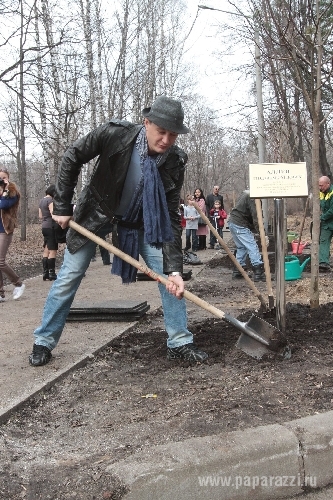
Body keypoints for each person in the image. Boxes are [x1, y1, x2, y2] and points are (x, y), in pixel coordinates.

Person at [29, 96, 208, 366]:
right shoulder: (115, 134)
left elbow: (170, 215)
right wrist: (63, 205)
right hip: (96, 215)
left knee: (171, 280)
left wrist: (174, 270)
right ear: (146, 122)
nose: (166, 140)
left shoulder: (175, 161)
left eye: (173, 134)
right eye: (161, 132)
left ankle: (179, 342)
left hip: (145, 222)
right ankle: (44, 341)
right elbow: (72, 156)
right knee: (69, 275)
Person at [228, 189, 266, 282]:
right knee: (252, 246)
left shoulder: (246, 192)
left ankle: (238, 271)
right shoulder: (253, 197)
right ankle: (258, 273)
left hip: (233, 222)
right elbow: (256, 217)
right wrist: (262, 234)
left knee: (242, 247)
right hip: (240, 224)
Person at [0, 167, 25, 302]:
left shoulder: (12, 192)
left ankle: (18, 284)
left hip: (5, 230)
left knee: (0, 261)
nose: (2, 180)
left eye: (4, 177)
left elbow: (3, 205)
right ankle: (0, 293)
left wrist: (5, 190)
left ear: (8, 178)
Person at [39, 184, 58, 280]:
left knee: (46, 249)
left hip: (44, 227)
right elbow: (53, 213)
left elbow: (40, 216)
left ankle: (45, 272)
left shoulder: (42, 200)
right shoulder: (50, 200)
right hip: (51, 227)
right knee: (53, 250)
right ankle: (52, 273)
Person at [319, 175, 333, 272]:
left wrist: (321, 217)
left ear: (328, 184)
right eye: (319, 186)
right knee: (323, 241)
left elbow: (332, 210)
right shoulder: (321, 193)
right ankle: (323, 263)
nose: (320, 188)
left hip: (328, 219)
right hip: (327, 224)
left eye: (322, 186)